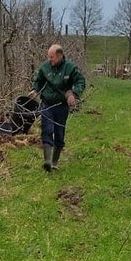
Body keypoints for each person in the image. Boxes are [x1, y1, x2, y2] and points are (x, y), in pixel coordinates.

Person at [30, 43, 86, 172]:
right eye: (48, 57)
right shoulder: (45, 67)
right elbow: (38, 81)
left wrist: (74, 94)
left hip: (62, 106)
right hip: (47, 104)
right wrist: (35, 91)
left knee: (59, 134)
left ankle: (55, 162)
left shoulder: (70, 68)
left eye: (52, 57)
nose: (50, 59)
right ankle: (47, 162)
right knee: (47, 130)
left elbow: (80, 81)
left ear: (60, 56)